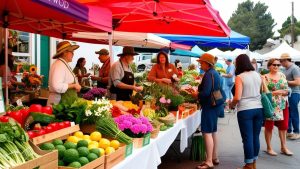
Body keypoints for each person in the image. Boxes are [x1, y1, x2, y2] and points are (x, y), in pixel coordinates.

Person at [229, 54, 263, 169]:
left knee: (247, 137)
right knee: (255, 137)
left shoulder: (240, 77)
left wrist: (231, 105)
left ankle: (248, 165)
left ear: (239, 64)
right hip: (259, 108)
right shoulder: (258, 75)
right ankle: (253, 163)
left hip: (245, 110)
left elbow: (237, 97)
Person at [192, 53, 224, 169]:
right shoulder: (214, 73)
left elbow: (205, 93)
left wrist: (196, 94)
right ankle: (214, 157)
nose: (200, 65)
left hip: (209, 106)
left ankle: (209, 161)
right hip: (215, 106)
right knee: (213, 131)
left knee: (207, 132)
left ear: (207, 63)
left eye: (201, 63)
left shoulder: (209, 74)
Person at [263, 58, 292, 156]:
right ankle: (269, 147)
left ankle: (284, 147)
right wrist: (277, 92)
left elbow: (287, 89)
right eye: (274, 65)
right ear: (269, 66)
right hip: (271, 104)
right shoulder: (265, 77)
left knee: (284, 127)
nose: (276, 67)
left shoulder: (282, 75)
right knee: (269, 127)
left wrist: (287, 92)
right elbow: (263, 92)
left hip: (283, 104)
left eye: (278, 65)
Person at [47, 41, 81, 106]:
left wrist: (76, 86)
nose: (73, 54)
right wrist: (73, 85)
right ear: (65, 53)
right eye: (71, 52)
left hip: (65, 103)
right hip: (59, 103)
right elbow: (56, 86)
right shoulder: (59, 65)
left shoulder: (63, 64)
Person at [280, 53, 300, 140]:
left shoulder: (295, 68)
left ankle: (297, 132)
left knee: (294, 112)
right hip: (288, 93)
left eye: (281, 61)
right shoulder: (285, 68)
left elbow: (297, 82)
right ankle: (289, 131)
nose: (280, 63)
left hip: (295, 93)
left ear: (286, 60)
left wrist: (285, 81)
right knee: (288, 112)